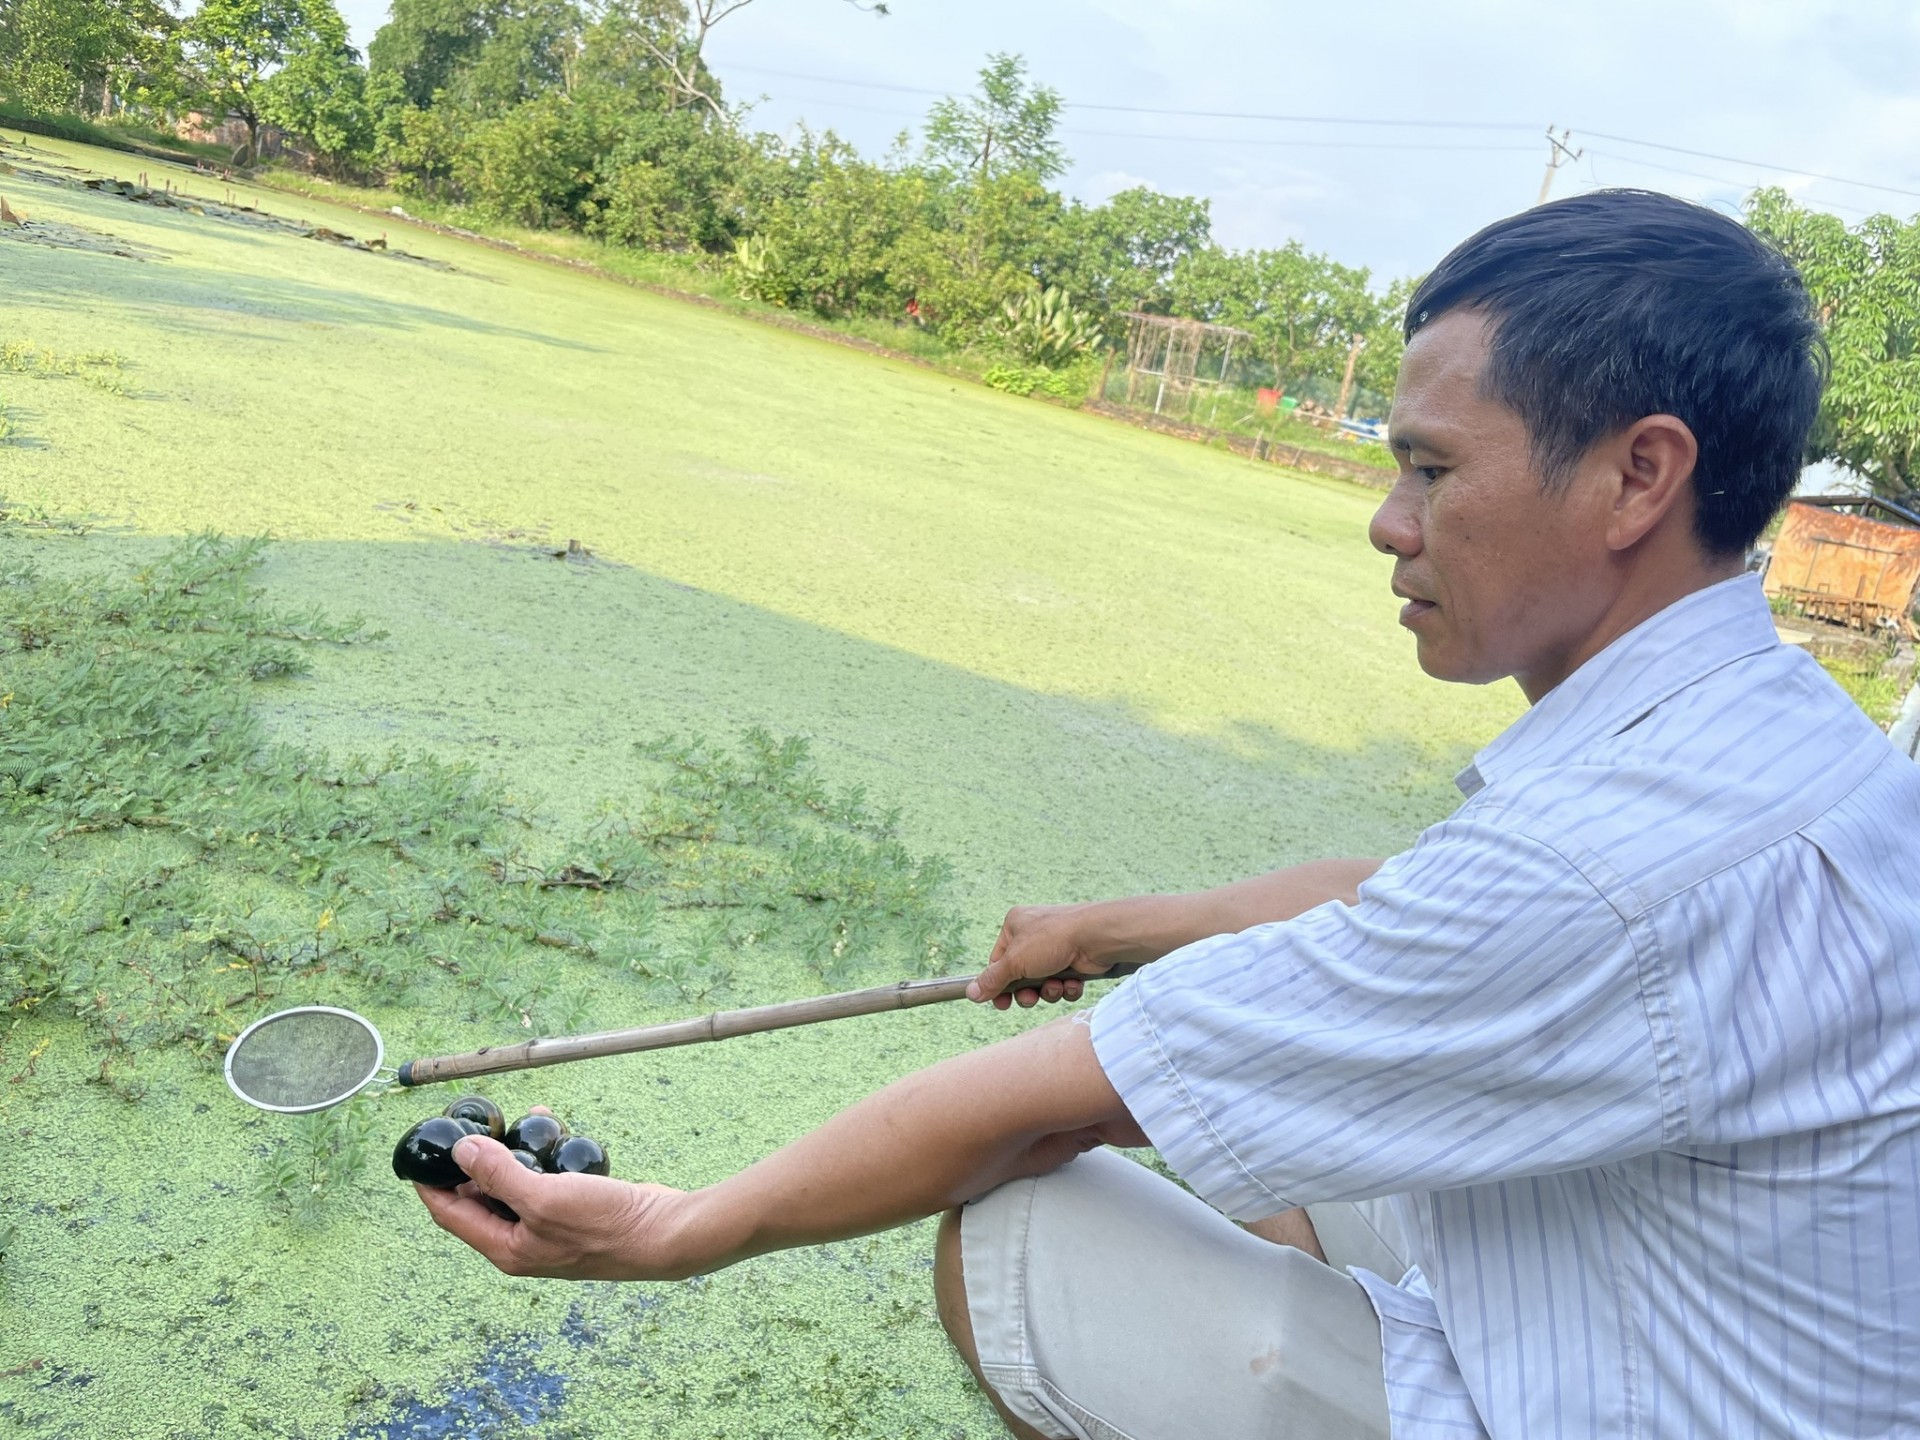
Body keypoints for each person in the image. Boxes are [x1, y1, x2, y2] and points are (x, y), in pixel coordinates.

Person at [416, 190, 1920, 1439]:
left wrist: (679, 1230)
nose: (1388, 521)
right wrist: (1115, 928)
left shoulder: (1591, 874)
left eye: (1430, 466)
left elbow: (1052, 1096)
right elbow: (1400, 900)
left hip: (1652, 1402)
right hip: (1701, 1316)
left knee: (1023, 1228)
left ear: (1637, 476)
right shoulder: (1774, 734)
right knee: (1309, 1114)